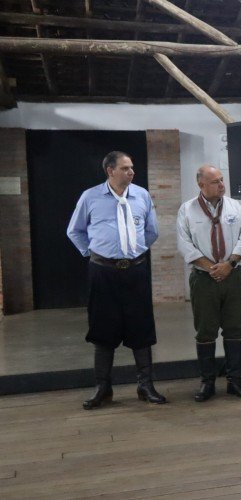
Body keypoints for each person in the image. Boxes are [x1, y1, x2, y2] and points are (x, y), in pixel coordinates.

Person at [67, 151, 166, 409]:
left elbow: (152, 231)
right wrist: (92, 252)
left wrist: (136, 250)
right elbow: (74, 230)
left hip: (136, 271)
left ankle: (146, 386)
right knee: (103, 330)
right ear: (110, 171)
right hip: (104, 273)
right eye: (125, 168)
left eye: (132, 168)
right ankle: (103, 388)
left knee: (142, 329)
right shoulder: (90, 197)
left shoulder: (142, 195)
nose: (131, 172)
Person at [177, 165, 241, 402]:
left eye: (222, 180)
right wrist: (211, 267)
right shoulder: (187, 210)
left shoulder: (234, 206)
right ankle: (207, 382)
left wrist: (229, 264)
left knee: (234, 328)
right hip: (204, 279)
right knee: (206, 330)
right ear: (201, 185)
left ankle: (235, 381)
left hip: (234, 276)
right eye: (215, 182)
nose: (222, 185)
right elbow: (184, 243)